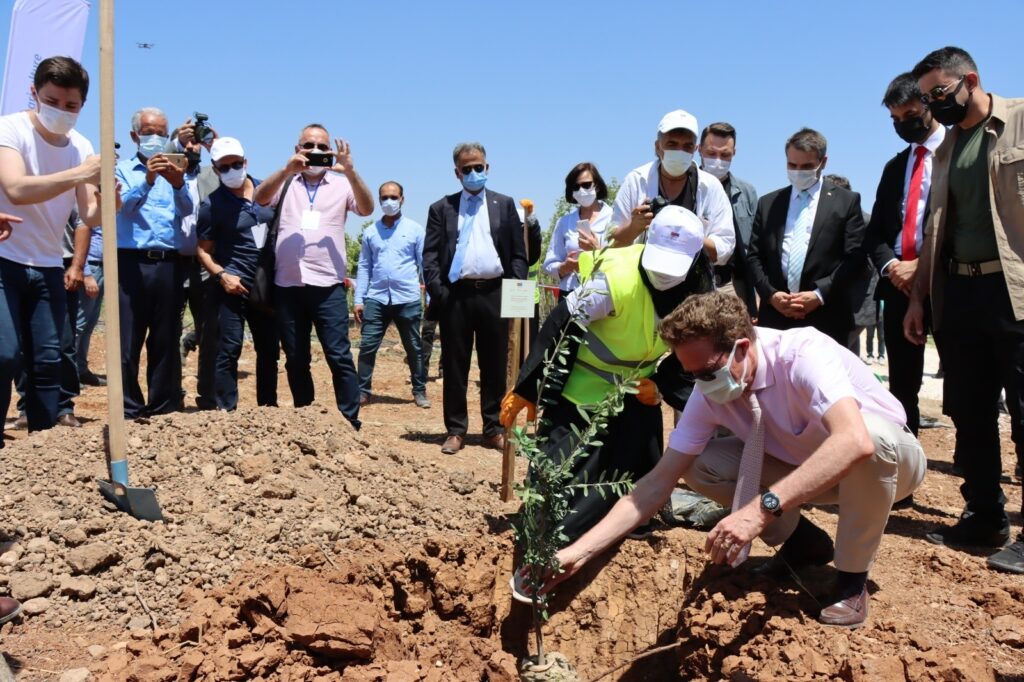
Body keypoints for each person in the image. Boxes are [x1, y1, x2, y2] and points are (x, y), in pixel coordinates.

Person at [541, 292, 925, 628]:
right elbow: (655, 485)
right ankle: (804, 542)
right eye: (691, 375)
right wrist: (578, 553)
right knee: (698, 463)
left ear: (742, 346)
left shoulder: (802, 354)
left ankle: (851, 581)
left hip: (889, 464)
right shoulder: (709, 391)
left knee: (871, 437)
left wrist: (759, 510)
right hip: (807, 467)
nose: (702, 384)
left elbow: (854, 441)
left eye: (707, 372)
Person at [502, 205, 715, 541]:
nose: (664, 276)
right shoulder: (614, 276)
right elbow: (562, 324)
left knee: (634, 481)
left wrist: (660, 384)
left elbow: (703, 349)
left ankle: (630, 523)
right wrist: (529, 387)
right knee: (556, 496)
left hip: (635, 391)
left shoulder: (699, 287)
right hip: (581, 389)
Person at [904, 47, 1024, 573]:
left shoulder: (1020, 122)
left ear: (970, 80)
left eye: (939, 94)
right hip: (961, 294)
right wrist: (918, 297)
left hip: (1015, 293)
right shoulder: (949, 147)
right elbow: (935, 228)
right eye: (927, 97)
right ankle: (983, 516)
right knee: (968, 410)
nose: (934, 105)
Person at [0, 56, 100, 444]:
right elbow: (17, 189)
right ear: (34, 94)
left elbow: (89, 211)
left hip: (47, 266)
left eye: (71, 106)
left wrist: (111, 202)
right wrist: (81, 173)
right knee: (5, 355)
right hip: (5, 261)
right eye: (52, 101)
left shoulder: (82, 145)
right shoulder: (10, 130)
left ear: (82, 105)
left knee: (49, 360)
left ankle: (43, 448)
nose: (61, 111)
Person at [253, 124, 373, 430]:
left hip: (328, 286)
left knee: (339, 356)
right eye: (309, 145)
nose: (316, 152)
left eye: (322, 146)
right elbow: (260, 198)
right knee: (295, 357)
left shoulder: (341, 184)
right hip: (287, 285)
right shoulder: (287, 181)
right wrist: (285, 170)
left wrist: (351, 172)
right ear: (298, 150)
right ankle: (305, 417)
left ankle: (349, 420)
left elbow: (366, 208)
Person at [422, 142, 528, 454]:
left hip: (495, 293)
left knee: (494, 364)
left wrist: (515, 287)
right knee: (455, 365)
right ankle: (456, 430)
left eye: (478, 167)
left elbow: (518, 255)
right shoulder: (442, 208)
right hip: (456, 296)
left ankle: (493, 429)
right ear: (457, 172)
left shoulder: (505, 205)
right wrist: (439, 291)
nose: (473, 173)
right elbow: (429, 257)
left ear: (487, 168)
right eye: (466, 169)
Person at [865, 72, 945, 434]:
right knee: (902, 386)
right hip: (897, 287)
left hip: (947, 283)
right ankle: (906, 461)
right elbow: (877, 232)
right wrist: (892, 266)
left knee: (968, 381)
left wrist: (922, 266)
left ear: (929, 105)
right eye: (895, 120)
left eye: (909, 115)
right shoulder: (895, 167)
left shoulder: (955, 155)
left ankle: (976, 464)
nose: (902, 125)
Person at [746, 128, 868, 345]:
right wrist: (772, 295)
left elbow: (855, 259)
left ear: (823, 162)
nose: (798, 171)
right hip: (775, 318)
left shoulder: (845, 202)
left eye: (807, 166)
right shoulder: (768, 204)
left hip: (825, 317)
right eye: (792, 166)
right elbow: (755, 256)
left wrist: (819, 295)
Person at [115, 107, 193, 419]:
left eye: (162, 132)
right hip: (130, 263)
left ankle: (163, 405)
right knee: (127, 339)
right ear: (135, 136)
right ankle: (130, 408)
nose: (156, 138)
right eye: (149, 132)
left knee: (165, 338)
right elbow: (125, 208)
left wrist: (176, 183)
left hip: (168, 264)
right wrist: (148, 178)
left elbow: (187, 209)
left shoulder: (177, 171)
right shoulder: (122, 170)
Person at [195, 137, 279, 411]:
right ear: (216, 169)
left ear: (246, 162)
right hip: (232, 286)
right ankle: (226, 410)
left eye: (237, 163)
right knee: (229, 349)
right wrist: (222, 276)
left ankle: (268, 408)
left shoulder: (269, 192)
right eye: (225, 166)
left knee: (268, 350)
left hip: (267, 285)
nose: (232, 169)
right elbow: (203, 250)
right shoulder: (211, 205)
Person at [608, 110, 735, 269]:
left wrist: (690, 236)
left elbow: (725, 249)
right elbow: (611, 245)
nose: (679, 152)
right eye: (672, 144)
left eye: (687, 146)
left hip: (694, 288)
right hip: (643, 284)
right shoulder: (636, 181)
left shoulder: (711, 186)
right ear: (657, 146)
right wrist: (633, 227)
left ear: (695, 149)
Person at [353, 181, 429, 409]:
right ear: (379, 201)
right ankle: (362, 391)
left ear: (402, 199)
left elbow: (424, 265)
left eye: (393, 197)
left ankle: (419, 390)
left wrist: (430, 295)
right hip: (376, 298)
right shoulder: (370, 232)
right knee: (367, 345)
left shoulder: (415, 230)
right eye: (384, 197)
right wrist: (359, 299)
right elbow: (364, 267)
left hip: (407, 297)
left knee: (414, 347)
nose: (389, 202)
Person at [172, 119, 220, 410]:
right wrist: (174, 142)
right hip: (173, 264)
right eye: (186, 143)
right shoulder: (166, 174)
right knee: (168, 331)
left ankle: (208, 396)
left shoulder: (208, 175)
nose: (192, 147)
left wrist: (215, 145)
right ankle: (172, 393)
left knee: (209, 332)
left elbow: (230, 178)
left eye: (196, 143)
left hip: (205, 265)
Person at [697, 122, 758, 317]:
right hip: (692, 284)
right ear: (699, 150)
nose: (718, 160)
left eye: (725, 155)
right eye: (711, 153)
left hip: (732, 286)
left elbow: (756, 246)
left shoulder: (747, 192)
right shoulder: (686, 186)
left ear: (734, 153)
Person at [543, 162, 614, 296]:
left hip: (604, 293)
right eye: (576, 187)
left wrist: (597, 251)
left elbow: (623, 261)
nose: (582, 190)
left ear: (597, 185)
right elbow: (549, 263)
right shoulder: (564, 222)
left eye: (586, 185)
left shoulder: (614, 218)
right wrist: (564, 267)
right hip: (570, 292)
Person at [76, 223, 105, 386]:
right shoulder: (88, 208)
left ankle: (81, 369)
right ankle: (69, 372)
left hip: (103, 265)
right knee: (79, 324)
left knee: (90, 323)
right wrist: (86, 273)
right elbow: (79, 239)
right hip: (92, 266)